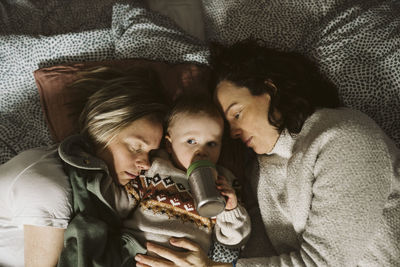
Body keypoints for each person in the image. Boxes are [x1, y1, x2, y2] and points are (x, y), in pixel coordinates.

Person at [134, 39, 400, 267]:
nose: (233, 132)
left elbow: (325, 263)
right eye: (228, 126)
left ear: (269, 90)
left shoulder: (343, 137)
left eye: (237, 113)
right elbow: (258, 254)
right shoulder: (258, 171)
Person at [0, 66, 169, 267]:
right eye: (135, 147)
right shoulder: (47, 187)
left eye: (151, 153)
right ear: (102, 130)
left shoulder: (93, 188)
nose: (146, 164)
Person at [124, 93, 251, 264]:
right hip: (138, 254)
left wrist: (231, 210)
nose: (202, 151)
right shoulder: (155, 169)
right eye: (191, 141)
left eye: (212, 144)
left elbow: (233, 241)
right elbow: (121, 204)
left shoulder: (223, 182)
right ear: (169, 144)